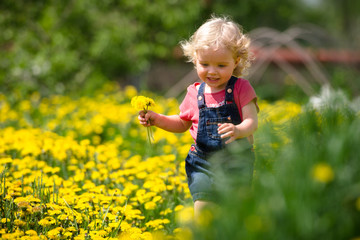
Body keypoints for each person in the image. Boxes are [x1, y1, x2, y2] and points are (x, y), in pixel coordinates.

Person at [137, 15, 259, 218]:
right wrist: (158, 119)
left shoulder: (241, 88)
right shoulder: (194, 93)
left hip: (236, 161)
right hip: (202, 162)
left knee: (234, 213)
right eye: (205, 64)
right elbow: (183, 123)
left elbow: (252, 122)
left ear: (236, 61)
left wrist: (238, 130)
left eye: (221, 65)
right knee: (202, 213)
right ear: (195, 60)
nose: (212, 71)